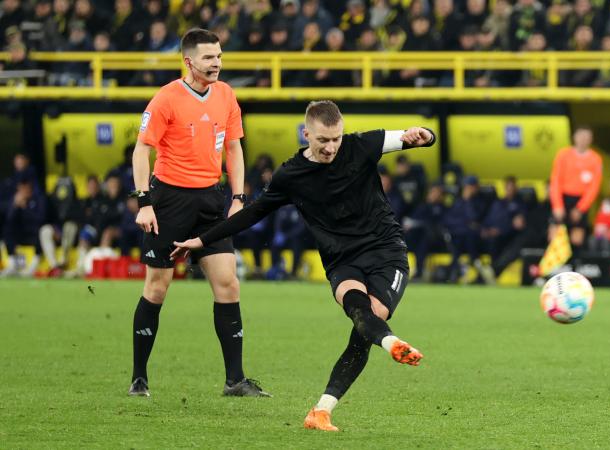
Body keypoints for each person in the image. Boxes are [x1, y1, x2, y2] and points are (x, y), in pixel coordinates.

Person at [171, 100, 432, 432]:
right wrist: (202, 240)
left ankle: (322, 410)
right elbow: (253, 213)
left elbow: (418, 137)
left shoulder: (362, 145)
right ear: (306, 133)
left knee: (369, 322)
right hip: (342, 259)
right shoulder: (291, 175)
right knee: (357, 309)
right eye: (323, 140)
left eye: (336, 138)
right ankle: (391, 344)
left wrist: (423, 134)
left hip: (386, 252)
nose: (331, 147)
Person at [127, 28, 264, 398]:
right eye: (209, 57)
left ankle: (235, 380)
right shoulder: (166, 98)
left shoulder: (226, 95)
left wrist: (238, 197)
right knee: (157, 288)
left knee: (228, 284)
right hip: (169, 200)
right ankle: (139, 378)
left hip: (210, 201)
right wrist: (144, 202)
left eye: (219, 56)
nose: (217, 63)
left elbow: (234, 149)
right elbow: (141, 151)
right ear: (189, 61)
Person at [549, 126, 603, 249]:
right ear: (575, 137)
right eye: (581, 136)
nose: (583, 139)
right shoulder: (563, 155)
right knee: (555, 237)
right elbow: (556, 181)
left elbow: (594, 187)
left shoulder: (595, 159)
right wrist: (557, 205)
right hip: (563, 198)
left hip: (581, 201)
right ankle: (557, 267)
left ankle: (575, 266)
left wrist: (580, 209)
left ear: (591, 139)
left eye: (587, 137)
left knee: (577, 240)